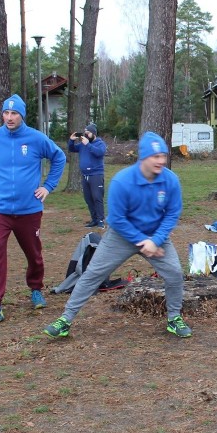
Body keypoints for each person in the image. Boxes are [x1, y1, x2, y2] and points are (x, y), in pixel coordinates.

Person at [43, 131, 192, 339]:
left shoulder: (170, 181)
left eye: (163, 156)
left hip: (155, 236)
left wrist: (155, 240)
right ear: (143, 157)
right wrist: (143, 242)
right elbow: (118, 219)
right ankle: (65, 319)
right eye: (155, 157)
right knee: (93, 274)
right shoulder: (123, 181)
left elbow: (173, 213)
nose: (161, 161)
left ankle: (174, 318)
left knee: (175, 273)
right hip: (122, 236)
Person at [0, 94, 66, 327]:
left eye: (15, 113)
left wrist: (48, 186)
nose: (9, 118)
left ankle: (36, 288)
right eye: (6, 113)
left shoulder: (36, 138)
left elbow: (58, 157)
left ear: (22, 115)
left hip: (29, 209)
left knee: (33, 253)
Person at [68, 122, 107, 228]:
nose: (85, 135)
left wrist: (88, 145)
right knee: (88, 198)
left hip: (96, 175)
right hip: (85, 175)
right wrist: (71, 140)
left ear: (94, 134)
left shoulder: (100, 143)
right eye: (85, 133)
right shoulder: (82, 145)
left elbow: (99, 153)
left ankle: (101, 220)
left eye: (88, 133)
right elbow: (71, 149)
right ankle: (94, 219)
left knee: (97, 197)